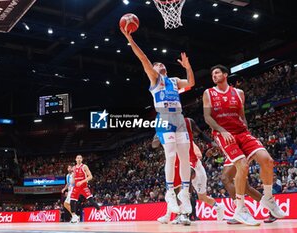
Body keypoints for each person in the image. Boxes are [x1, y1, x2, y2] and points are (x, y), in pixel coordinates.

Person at [121, 24, 195, 220]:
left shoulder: (174, 80)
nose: (159, 64)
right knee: (170, 156)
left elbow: (192, 83)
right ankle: (170, 192)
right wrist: (130, 39)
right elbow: (143, 58)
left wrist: (188, 68)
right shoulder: (155, 78)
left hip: (178, 118)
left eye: (161, 64)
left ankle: (184, 193)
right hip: (164, 119)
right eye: (156, 64)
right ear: (152, 69)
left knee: (185, 157)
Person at [203, 65, 285, 226]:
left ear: (225, 75)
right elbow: (207, 117)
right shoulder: (208, 93)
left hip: (242, 133)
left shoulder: (239, 93)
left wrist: (246, 130)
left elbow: (242, 116)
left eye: (217, 72)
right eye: (212, 73)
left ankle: (268, 198)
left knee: (267, 160)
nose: (214, 75)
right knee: (241, 167)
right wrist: (221, 130)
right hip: (224, 134)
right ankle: (240, 209)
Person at [154, 118, 224, 225]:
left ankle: (218, 207)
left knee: (201, 196)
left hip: (195, 164)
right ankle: (176, 215)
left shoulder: (188, 126)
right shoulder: (167, 133)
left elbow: (199, 146)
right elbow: (154, 145)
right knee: (177, 190)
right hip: (183, 165)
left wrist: (211, 143)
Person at [220, 160, 277, 224]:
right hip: (231, 154)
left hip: (236, 152)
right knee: (246, 188)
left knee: (225, 178)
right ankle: (272, 209)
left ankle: (241, 212)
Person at [69, 155, 111, 223]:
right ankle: (75, 217)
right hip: (76, 187)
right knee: (72, 201)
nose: (79, 159)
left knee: (92, 201)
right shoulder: (74, 168)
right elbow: (74, 177)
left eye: (80, 158)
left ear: (82, 159)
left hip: (83, 186)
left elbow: (90, 176)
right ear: (75, 159)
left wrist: (81, 181)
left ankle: (104, 216)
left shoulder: (84, 166)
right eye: (78, 158)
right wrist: (71, 183)